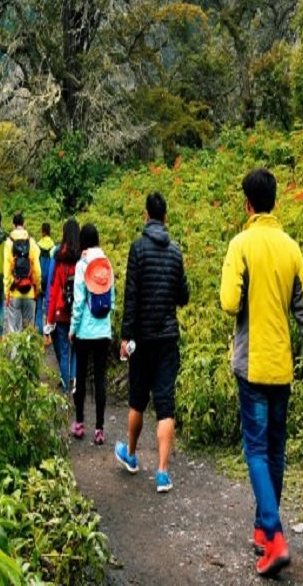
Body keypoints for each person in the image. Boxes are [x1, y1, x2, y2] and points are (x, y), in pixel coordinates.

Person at [220, 168, 303, 578]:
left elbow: (229, 302)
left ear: (247, 204)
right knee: (275, 452)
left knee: (256, 451)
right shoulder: (291, 249)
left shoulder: (240, 244)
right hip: (282, 367)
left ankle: (275, 536)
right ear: (274, 201)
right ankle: (264, 531)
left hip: (251, 366)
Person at [114, 192, 189, 494]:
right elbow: (183, 296)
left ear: (146, 215)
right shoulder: (175, 252)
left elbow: (131, 296)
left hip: (142, 339)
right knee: (165, 405)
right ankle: (161, 473)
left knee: (137, 399)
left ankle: (131, 456)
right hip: (167, 338)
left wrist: (125, 336)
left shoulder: (138, 249)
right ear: (165, 217)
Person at [69, 223, 114, 445]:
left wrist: (72, 328)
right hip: (103, 331)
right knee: (100, 379)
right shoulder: (107, 264)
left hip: (84, 332)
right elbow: (112, 301)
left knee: (81, 375)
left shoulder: (82, 265)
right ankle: (99, 428)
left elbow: (78, 302)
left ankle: (79, 423)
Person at [45, 218, 80, 394]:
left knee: (64, 352)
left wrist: (49, 317)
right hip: (77, 312)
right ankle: (74, 381)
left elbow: (54, 291)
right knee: (75, 349)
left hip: (61, 310)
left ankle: (66, 388)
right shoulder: (81, 258)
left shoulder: (59, 257)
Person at [3, 212, 42, 335]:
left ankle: (15, 354)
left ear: (13, 225)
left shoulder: (9, 242)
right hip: (29, 291)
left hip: (14, 291)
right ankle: (27, 354)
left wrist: (7, 290)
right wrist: (37, 288)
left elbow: (6, 269)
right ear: (24, 224)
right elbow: (37, 269)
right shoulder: (31, 242)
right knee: (28, 332)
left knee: (14, 332)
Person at [36, 222, 55, 334]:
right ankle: (47, 334)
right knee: (48, 307)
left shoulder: (37, 245)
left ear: (42, 231)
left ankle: (38, 333)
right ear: (50, 231)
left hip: (39, 280)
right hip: (49, 281)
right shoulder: (53, 247)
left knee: (38, 308)